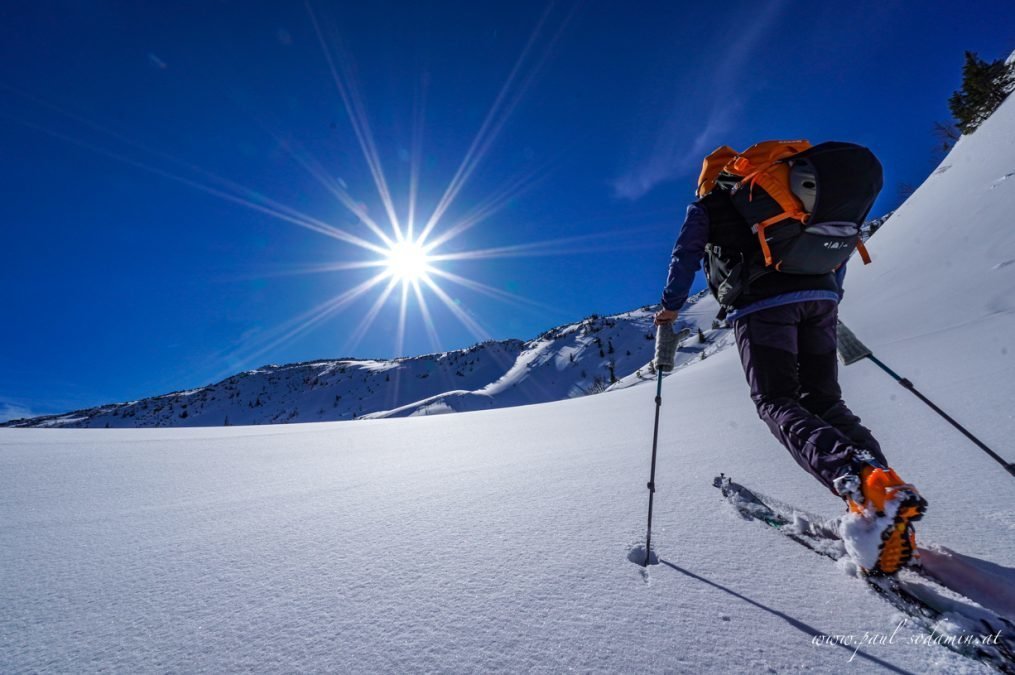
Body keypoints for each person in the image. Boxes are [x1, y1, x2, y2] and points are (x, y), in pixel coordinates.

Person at [654, 155, 926, 575]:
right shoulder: (794, 198)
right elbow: (836, 250)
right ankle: (883, 493)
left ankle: (861, 482)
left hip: (763, 308)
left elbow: (684, 256)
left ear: (710, 179)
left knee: (776, 400)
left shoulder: (709, 206)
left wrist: (669, 313)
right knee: (826, 402)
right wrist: (828, 301)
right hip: (821, 300)